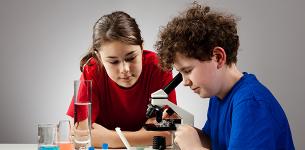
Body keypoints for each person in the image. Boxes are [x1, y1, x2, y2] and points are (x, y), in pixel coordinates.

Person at [155, 3, 295, 150]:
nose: (185, 82)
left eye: (188, 70)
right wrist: (177, 126)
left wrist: (193, 148)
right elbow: (213, 143)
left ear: (218, 57)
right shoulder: (218, 98)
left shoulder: (251, 103)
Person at [66, 11, 177, 148]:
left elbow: (169, 133)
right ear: (99, 57)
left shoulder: (159, 67)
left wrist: (108, 138)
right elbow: (80, 134)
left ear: (142, 48)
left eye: (131, 58)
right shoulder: (92, 71)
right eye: (113, 62)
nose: (124, 69)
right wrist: (145, 135)